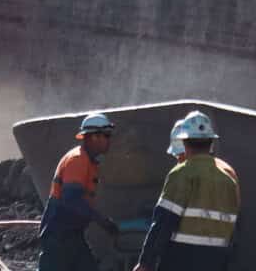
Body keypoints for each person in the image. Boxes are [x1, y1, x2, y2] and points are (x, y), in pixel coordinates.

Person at [134, 111, 240, 271]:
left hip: (181, 260)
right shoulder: (228, 181)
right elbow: (232, 230)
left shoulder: (181, 174)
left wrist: (145, 263)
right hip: (216, 261)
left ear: (185, 143)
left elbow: (163, 223)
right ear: (211, 143)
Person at [39, 112, 122, 271]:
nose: (109, 140)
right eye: (106, 135)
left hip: (72, 236)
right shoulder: (77, 160)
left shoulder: (88, 162)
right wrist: (102, 221)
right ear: (93, 137)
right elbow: (71, 199)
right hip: (59, 238)